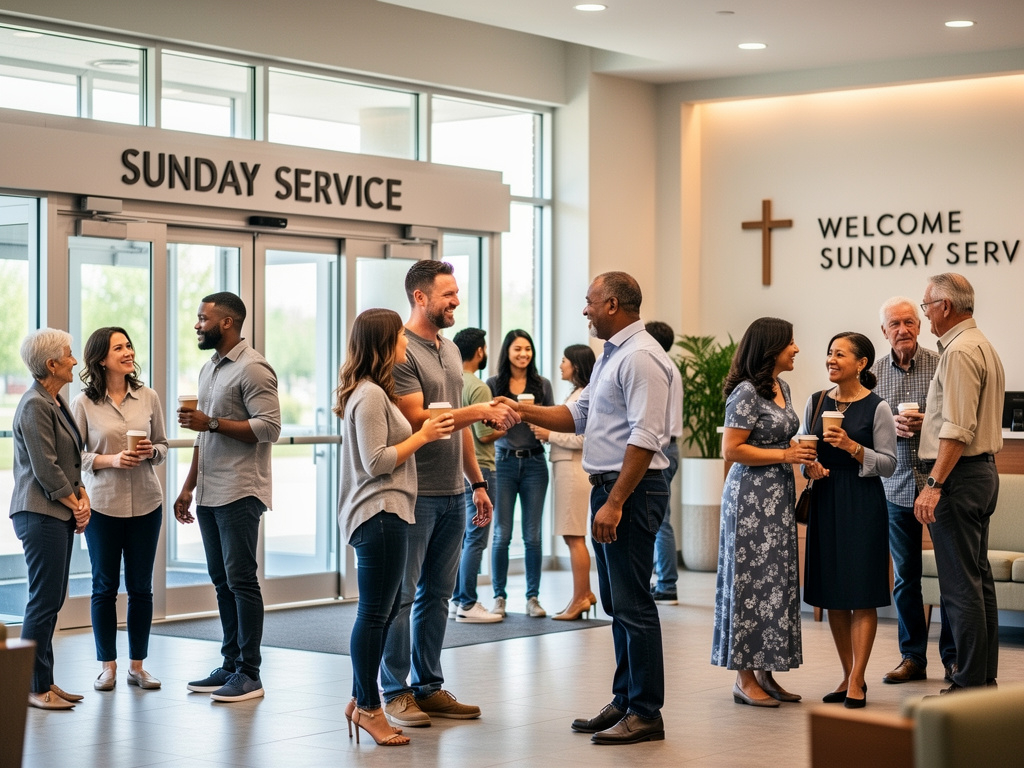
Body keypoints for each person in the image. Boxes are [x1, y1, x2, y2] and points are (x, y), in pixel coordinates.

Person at [502, 271, 673, 745]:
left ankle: (645, 711)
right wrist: (520, 409)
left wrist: (615, 501)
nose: (585, 310)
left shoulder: (640, 357)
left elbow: (644, 436)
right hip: (614, 487)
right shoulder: (613, 355)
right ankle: (625, 699)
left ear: (613, 304)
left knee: (634, 604)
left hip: (631, 490)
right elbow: (579, 415)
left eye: (590, 301)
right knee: (618, 602)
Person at [380, 260, 519, 729]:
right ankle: (394, 692)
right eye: (447, 295)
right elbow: (420, 416)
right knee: (401, 595)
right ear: (420, 297)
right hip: (412, 493)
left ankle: (429, 686)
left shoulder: (449, 350)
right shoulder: (399, 350)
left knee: (437, 594)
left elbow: (456, 426)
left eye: (456, 293)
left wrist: (476, 482)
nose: (456, 301)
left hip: (451, 491)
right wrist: (480, 408)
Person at [335, 308, 454, 746]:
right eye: (399, 338)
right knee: (375, 614)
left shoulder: (373, 393)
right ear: (385, 343)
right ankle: (369, 708)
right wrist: (423, 435)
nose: (406, 343)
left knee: (381, 614)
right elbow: (376, 462)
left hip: (389, 512)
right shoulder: (368, 395)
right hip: (378, 512)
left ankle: (360, 699)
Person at [173, 291, 282, 703]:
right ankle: (232, 662)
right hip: (211, 491)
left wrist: (213, 421)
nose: (197, 325)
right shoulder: (210, 368)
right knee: (222, 582)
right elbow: (204, 434)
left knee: (241, 580)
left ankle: (250, 674)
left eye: (203, 318)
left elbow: (269, 428)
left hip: (241, 490)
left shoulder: (253, 369)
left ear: (227, 323)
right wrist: (188, 486)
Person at [711, 317, 816, 707]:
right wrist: (785, 454)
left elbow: (785, 441)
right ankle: (743, 677)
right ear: (771, 347)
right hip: (750, 499)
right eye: (790, 342)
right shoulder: (744, 392)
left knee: (775, 584)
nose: (797, 349)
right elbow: (732, 450)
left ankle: (766, 672)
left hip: (778, 496)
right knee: (749, 582)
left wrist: (803, 457)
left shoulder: (782, 387)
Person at [915, 273, 1004, 693]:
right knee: (977, 579)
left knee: (959, 584)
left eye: (926, 306)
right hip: (980, 473)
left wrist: (933, 484)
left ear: (945, 307)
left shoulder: (959, 351)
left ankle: (968, 683)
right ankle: (982, 677)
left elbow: (957, 430)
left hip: (959, 478)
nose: (926, 315)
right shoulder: (981, 344)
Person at [71, 327, 168, 692]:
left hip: (147, 503)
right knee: (104, 587)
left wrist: (151, 453)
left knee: (141, 587)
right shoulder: (83, 403)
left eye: (128, 346)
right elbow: (76, 456)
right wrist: (111, 459)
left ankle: (138, 666)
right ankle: (107, 666)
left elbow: (162, 444)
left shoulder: (149, 397)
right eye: (119, 348)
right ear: (101, 359)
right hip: (104, 507)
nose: (128, 352)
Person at [803, 332, 897, 709]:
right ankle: (846, 675)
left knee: (861, 593)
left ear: (861, 363)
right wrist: (811, 467)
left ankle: (859, 679)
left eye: (839, 354)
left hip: (862, 502)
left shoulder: (878, 408)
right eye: (829, 353)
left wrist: (853, 448)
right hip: (826, 499)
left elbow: (889, 465)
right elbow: (807, 450)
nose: (831, 359)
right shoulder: (816, 402)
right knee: (834, 595)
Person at [869, 298, 954, 685]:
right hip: (895, 485)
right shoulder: (872, 375)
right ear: (883, 331)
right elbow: (864, 429)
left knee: (952, 575)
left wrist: (928, 426)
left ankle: (953, 658)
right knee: (906, 577)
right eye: (894, 324)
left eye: (909, 321)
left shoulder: (942, 365)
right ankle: (912, 657)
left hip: (939, 485)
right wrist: (890, 429)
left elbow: (957, 421)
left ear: (919, 326)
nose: (902, 329)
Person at [10, 328, 90, 710]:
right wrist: (77, 504)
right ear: (51, 364)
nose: (75, 360)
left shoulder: (55, 401)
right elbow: (46, 468)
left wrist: (82, 497)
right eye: (69, 354)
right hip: (39, 512)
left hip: (56, 511)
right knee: (43, 602)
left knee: (52, 599)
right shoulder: (34, 405)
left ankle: (45, 681)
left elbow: (70, 463)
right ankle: (32, 687)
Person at [487, 329, 554, 618]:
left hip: (535, 464)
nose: (523, 354)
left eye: (528, 349)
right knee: (501, 534)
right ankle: (499, 597)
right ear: (507, 352)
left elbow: (552, 418)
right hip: (503, 463)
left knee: (533, 535)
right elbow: (485, 426)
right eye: (517, 349)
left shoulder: (542, 384)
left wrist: (541, 424)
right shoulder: (493, 384)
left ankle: (532, 598)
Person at [530, 343, 597, 620]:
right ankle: (584, 594)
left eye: (564, 360)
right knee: (573, 535)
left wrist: (549, 434)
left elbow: (582, 437)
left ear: (576, 365)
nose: (560, 365)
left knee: (574, 535)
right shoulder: (576, 393)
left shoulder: (584, 395)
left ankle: (581, 597)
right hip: (566, 468)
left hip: (573, 469)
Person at [450, 328, 504, 624]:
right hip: (480, 468)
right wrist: (511, 424)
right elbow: (484, 434)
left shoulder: (451, 381)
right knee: (477, 538)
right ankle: (467, 602)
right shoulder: (479, 387)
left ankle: (456, 598)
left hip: (455, 468)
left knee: (461, 538)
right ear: (480, 352)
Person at [645, 321, 682, 605]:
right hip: (670, 448)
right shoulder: (670, 366)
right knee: (659, 517)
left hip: (660, 449)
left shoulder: (658, 367)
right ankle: (665, 582)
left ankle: (667, 584)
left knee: (657, 519)